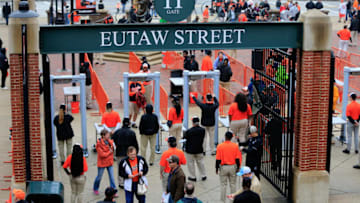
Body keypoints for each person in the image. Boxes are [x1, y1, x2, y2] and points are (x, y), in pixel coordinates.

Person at [112, 118, 139, 189]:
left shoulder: (117, 132)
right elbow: (135, 144)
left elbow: (112, 142)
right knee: (129, 167)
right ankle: (129, 179)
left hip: (119, 152)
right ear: (129, 123)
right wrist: (136, 152)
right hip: (129, 153)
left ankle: (121, 183)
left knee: (120, 167)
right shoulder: (132, 133)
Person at [216, 131, 242, 203]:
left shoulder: (220, 146)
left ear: (225, 137)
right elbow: (237, 158)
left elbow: (218, 159)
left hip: (223, 167)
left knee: (223, 185)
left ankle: (222, 201)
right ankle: (232, 200)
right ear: (231, 138)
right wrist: (238, 167)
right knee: (233, 184)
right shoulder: (235, 146)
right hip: (232, 167)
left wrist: (216, 168)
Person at [93, 129, 117, 196]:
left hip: (109, 162)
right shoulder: (99, 144)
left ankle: (114, 190)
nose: (109, 135)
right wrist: (109, 152)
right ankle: (95, 188)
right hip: (102, 163)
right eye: (107, 134)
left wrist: (111, 150)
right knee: (99, 177)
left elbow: (113, 148)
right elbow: (102, 155)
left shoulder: (110, 142)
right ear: (103, 136)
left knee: (112, 177)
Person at [183, 117, 206, 182]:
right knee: (201, 162)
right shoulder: (203, 130)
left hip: (190, 150)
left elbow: (184, 137)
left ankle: (193, 176)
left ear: (193, 123)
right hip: (199, 149)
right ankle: (203, 175)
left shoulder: (189, 131)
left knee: (190, 164)